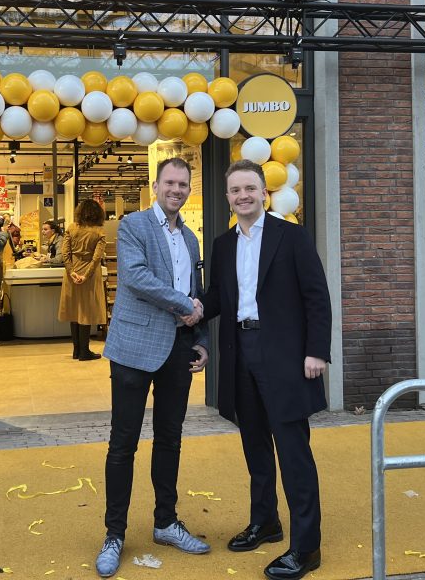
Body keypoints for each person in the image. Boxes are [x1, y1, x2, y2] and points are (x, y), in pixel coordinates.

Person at [197, 160, 330, 580]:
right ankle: (266, 522)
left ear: (264, 194)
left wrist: (316, 352)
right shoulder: (223, 245)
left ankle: (306, 547)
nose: (243, 196)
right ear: (228, 197)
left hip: (285, 356)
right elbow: (218, 297)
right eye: (235, 190)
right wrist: (193, 309)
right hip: (239, 352)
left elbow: (317, 296)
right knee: (255, 445)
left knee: (293, 453)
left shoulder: (291, 236)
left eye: (250, 188)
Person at [94, 157, 210, 578]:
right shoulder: (134, 225)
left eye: (183, 184)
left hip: (178, 349)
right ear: (156, 185)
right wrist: (185, 306)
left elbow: (196, 291)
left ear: (189, 190)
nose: (176, 190)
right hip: (134, 347)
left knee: (170, 440)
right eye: (170, 183)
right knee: (122, 444)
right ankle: (114, 534)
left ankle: (165, 522)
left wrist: (201, 340)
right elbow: (136, 277)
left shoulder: (191, 239)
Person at [58, 201, 106, 361]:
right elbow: (96, 258)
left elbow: (65, 253)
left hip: (72, 272)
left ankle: (76, 350)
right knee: (86, 311)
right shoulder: (99, 232)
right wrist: (86, 275)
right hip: (89, 275)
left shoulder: (71, 228)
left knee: (74, 310)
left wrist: (71, 271)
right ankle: (84, 351)